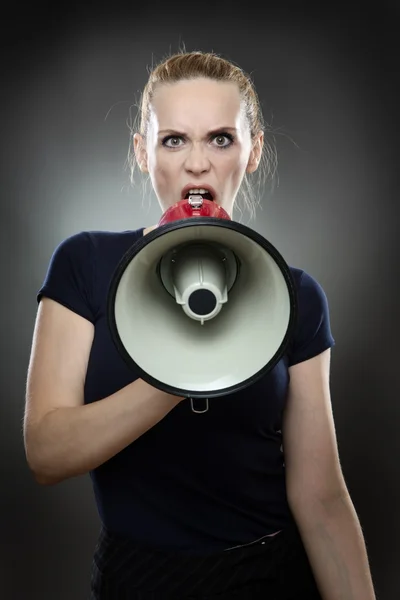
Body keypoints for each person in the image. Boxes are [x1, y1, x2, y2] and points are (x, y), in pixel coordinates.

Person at [24, 51, 376, 599]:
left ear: (252, 150)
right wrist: (180, 372)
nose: (196, 164)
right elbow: (46, 452)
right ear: (142, 152)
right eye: (173, 140)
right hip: (136, 578)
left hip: (269, 573)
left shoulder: (296, 296)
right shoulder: (85, 265)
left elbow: (322, 497)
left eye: (220, 139)